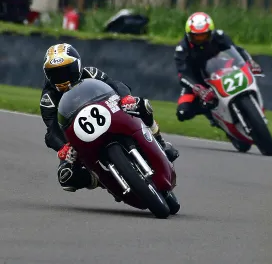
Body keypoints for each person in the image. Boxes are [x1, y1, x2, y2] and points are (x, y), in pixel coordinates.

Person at [40, 43, 179, 193]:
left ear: (77, 66)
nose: (62, 78)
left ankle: (159, 141)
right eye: (55, 74)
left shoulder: (90, 73)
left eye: (66, 71)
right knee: (66, 177)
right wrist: (63, 147)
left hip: (110, 114)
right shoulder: (48, 98)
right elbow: (52, 131)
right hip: (78, 137)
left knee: (142, 105)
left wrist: (126, 98)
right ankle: (102, 180)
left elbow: (115, 84)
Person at [174, 11, 263, 125]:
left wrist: (250, 62)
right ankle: (212, 115)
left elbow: (237, 50)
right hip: (197, 81)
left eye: (204, 35)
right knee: (182, 112)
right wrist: (199, 89)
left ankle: (253, 104)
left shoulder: (219, 36)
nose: (200, 39)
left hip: (220, 71)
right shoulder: (182, 49)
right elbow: (183, 75)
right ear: (189, 35)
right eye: (196, 36)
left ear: (210, 32)